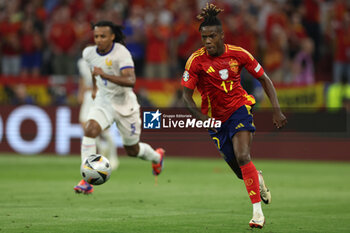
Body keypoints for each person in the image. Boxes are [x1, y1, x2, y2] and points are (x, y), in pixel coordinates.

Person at [181, 4, 287, 229]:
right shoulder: (195, 61)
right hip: (214, 120)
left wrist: (276, 110)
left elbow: (264, 79)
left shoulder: (239, 54)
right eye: (203, 37)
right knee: (241, 172)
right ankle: (256, 178)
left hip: (239, 109)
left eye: (211, 36)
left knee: (242, 155)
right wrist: (201, 119)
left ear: (221, 35)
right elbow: (186, 97)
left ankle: (257, 214)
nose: (207, 41)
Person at [74, 21, 165, 194]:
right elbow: (95, 71)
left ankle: (156, 156)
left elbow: (130, 80)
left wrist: (104, 75)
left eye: (103, 36)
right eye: (96, 36)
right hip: (104, 100)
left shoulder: (121, 54)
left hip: (125, 104)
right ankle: (87, 179)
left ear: (112, 37)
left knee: (132, 149)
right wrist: (95, 87)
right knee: (90, 129)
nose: (99, 40)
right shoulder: (88, 53)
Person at [77, 57, 119, 170]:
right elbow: (82, 79)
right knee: (85, 126)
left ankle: (114, 157)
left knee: (104, 129)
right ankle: (102, 147)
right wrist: (80, 92)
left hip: (100, 97)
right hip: (87, 96)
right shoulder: (82, 63)